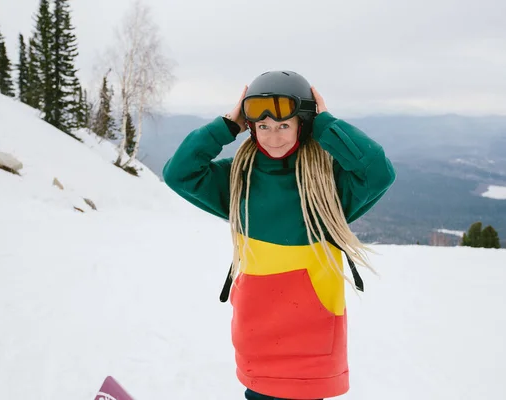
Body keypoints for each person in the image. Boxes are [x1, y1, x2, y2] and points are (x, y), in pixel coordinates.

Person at [163, 71, 396, 400]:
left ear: (303, 124)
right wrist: (225, 126)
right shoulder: (238, 178)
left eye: (284, 125)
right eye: (263, 126)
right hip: (257, 339)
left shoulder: (326, 185)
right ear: (251, 126)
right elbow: (178, 173)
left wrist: (326, 124)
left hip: (311, 346)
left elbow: (378, 171)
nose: (273, 137)